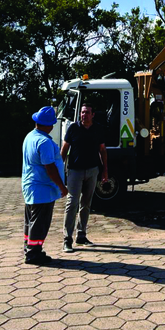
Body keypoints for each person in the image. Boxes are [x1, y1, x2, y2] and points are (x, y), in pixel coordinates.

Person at [22, 106, 68, 265]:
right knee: (40, 223)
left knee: (31, 221)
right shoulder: (44, 142)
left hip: (30, 187)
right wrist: (62, 187)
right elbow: (50, 168)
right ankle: (34, 254)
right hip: (43, 189)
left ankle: (29, 249)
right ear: (49, 125)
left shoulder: (30, 136)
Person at [60, 104, 108, 252]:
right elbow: (64, 149)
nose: (84, 115)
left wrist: (105, 171)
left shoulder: (98, 129)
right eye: (82, 112)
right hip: (75, 171)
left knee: (86, 204)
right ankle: (67, 239)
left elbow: (102, 150)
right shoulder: (73, 128)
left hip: (92, 170)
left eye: (87, 112)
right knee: (72, 202)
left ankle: (81, 235)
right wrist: (59, 169)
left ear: (93, 114)